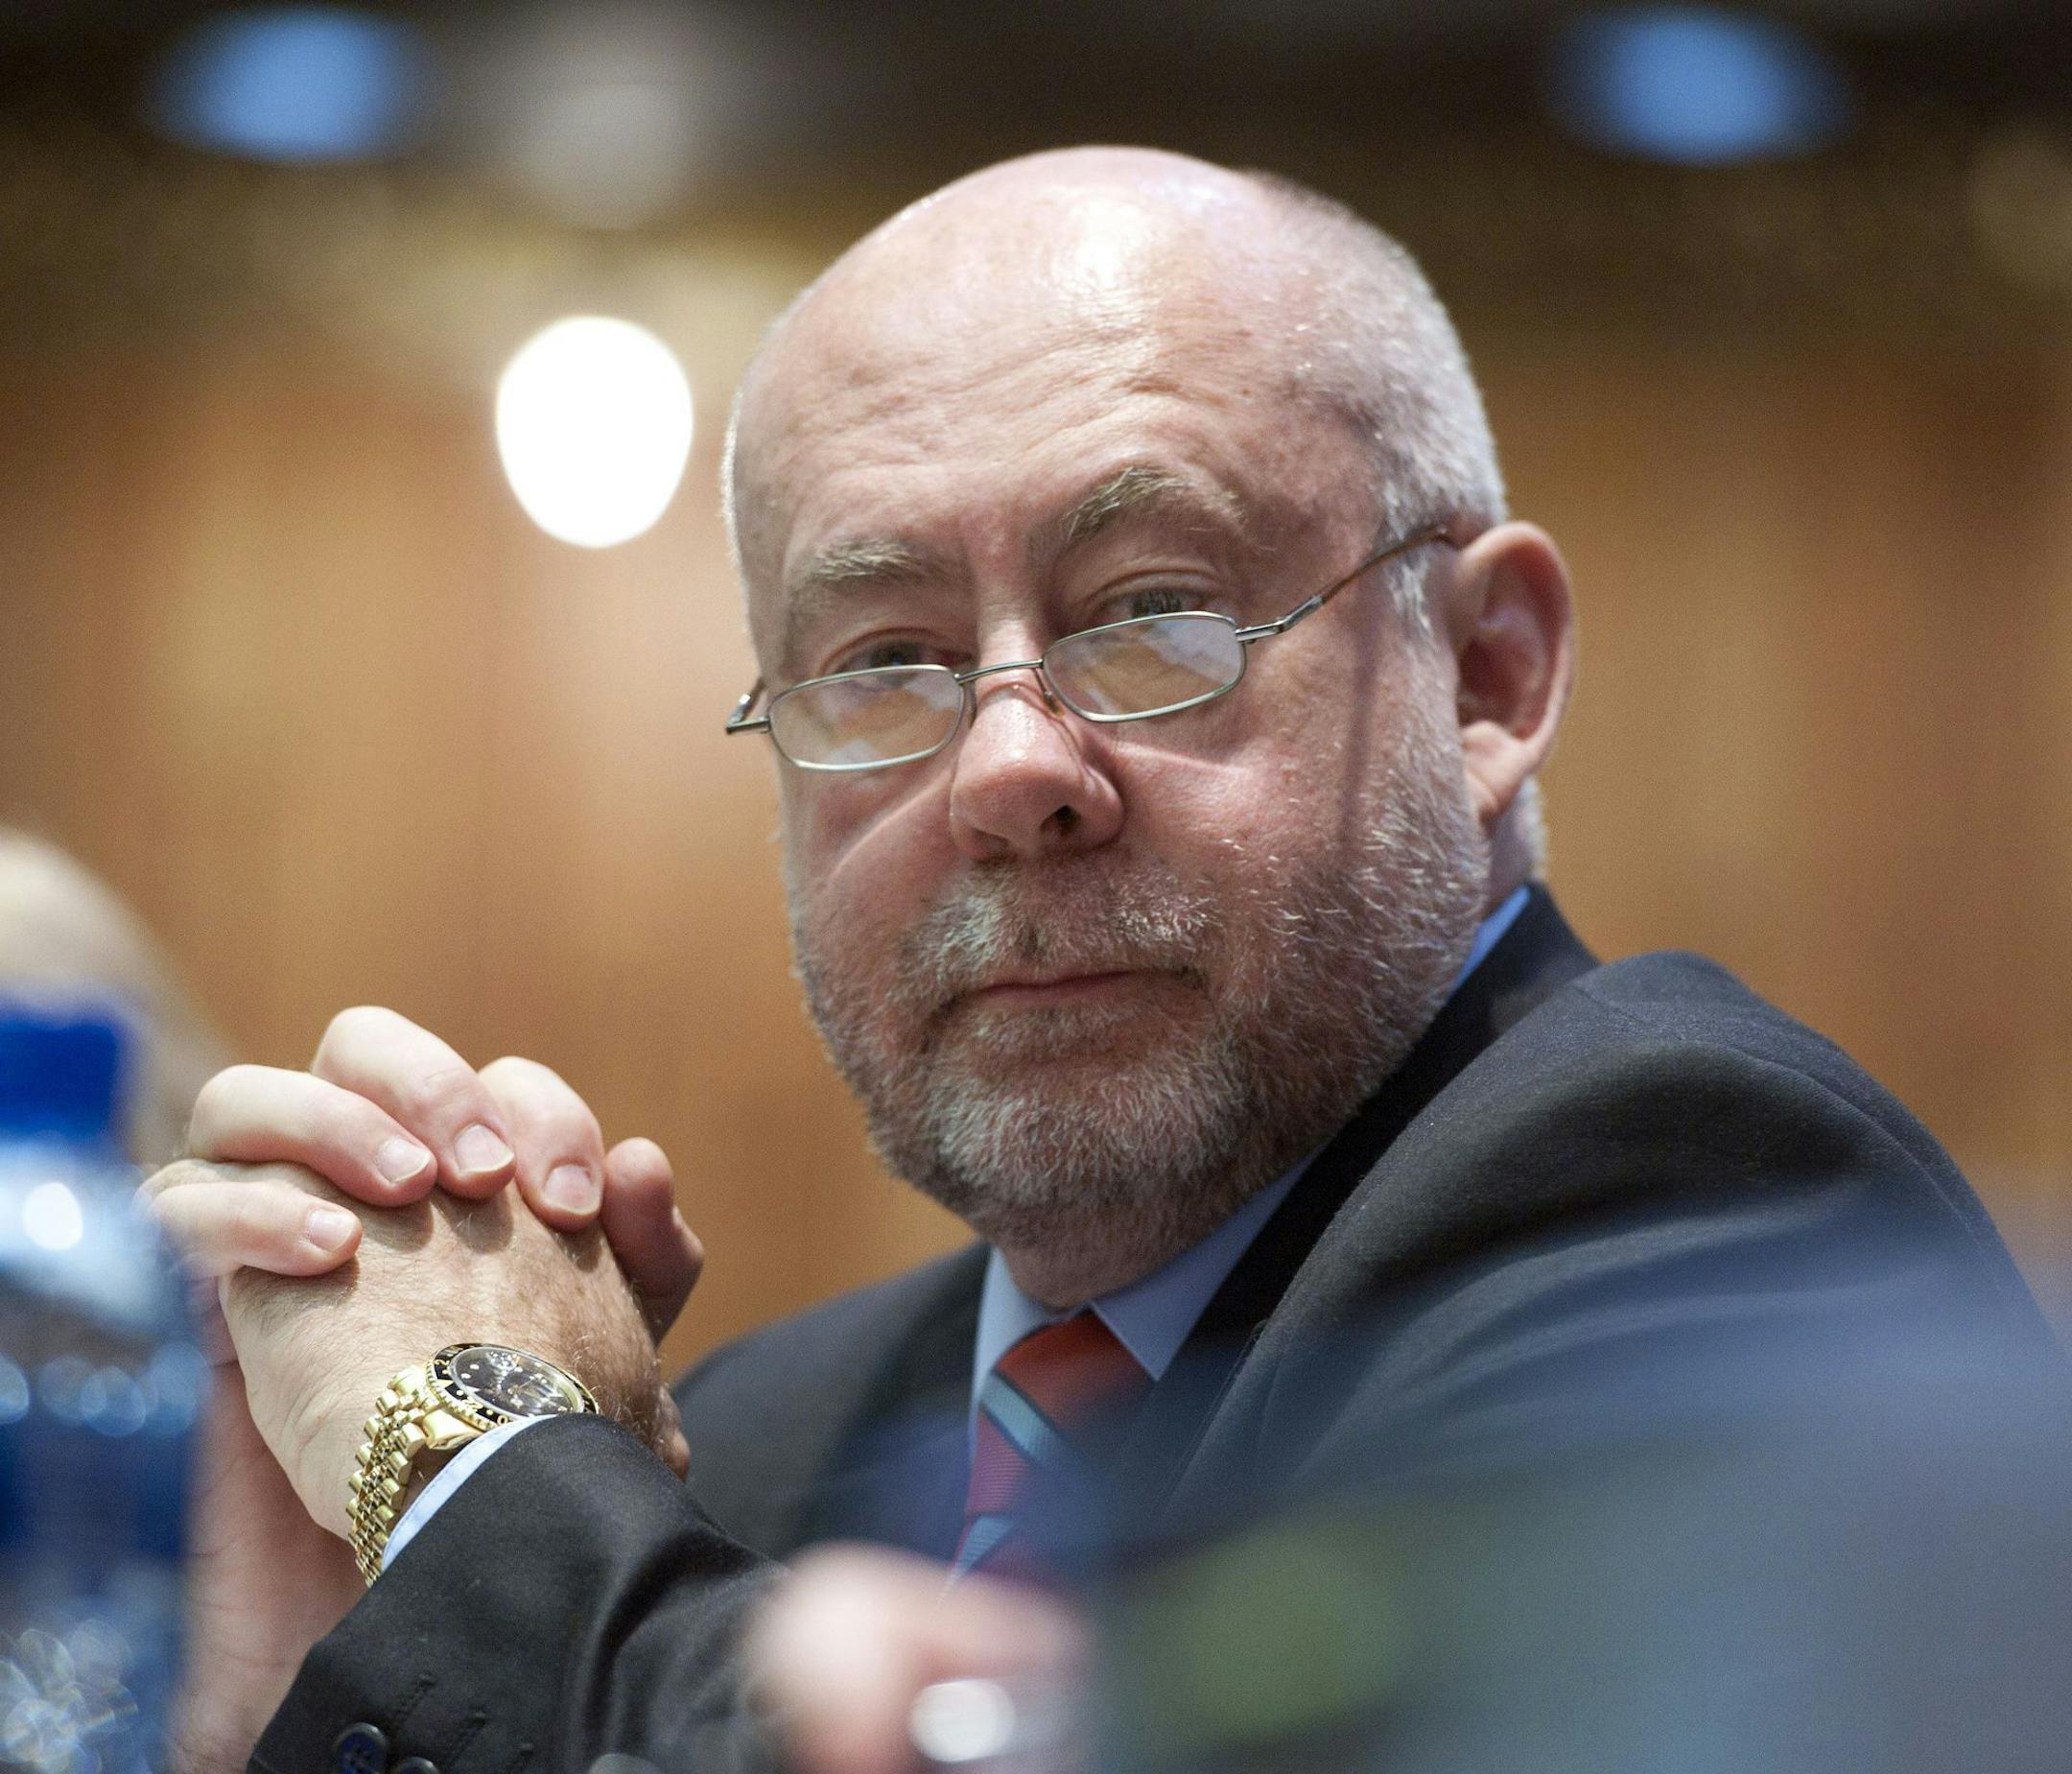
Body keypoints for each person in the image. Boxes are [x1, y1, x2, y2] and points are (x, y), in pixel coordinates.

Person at [141, 147, 2061, 1772]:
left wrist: (469, 1466)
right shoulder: (760, 1436)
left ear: (1488, 674)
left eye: (1152, 611)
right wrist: (288, 1689)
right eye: (883, 660)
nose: (1007, 771)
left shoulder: (1700, 1196)